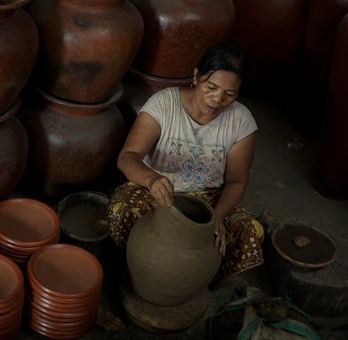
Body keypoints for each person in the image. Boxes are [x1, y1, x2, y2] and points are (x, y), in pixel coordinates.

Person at [106, 43, 264, 280]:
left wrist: (217, 217)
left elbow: (237, 181)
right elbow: (127, 157)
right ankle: (137, 271)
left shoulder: (241, 121)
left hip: (210, 200)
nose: (218, 99)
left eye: (230, 94)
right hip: (158, 192)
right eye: (211, 87)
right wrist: (151, 179)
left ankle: (202, 282)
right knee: (120, 209)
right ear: (196, 76)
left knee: (250, 230)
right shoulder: (163, 104)